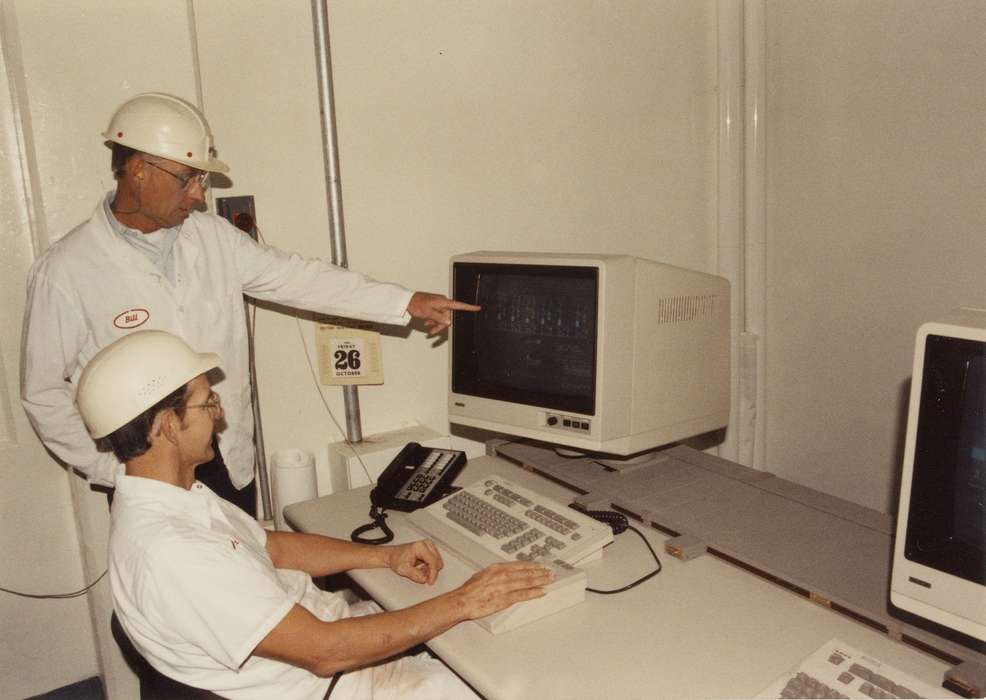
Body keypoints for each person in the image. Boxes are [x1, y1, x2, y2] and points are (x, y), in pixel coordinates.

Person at [20, 91, 478, 513]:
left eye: (199, 178)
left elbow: (299, 278)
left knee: (246, 574)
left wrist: (406, 301)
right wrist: (110, 470)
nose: (199, 195)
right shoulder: (66, 271)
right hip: (143, 476)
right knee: (164, 595)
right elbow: (42, 394)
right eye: (187, 179)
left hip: (223, 458)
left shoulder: (211, 238)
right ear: (138, 170)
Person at [76, 330, 550, 699]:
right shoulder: (171, 551)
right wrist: (464, 601)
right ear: (166, 427)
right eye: (206, 401)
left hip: (320, 642)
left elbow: (275, 547)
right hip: (330, 683)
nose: (218, 414)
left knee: (489, 627)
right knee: (511, 675)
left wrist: (384, 558)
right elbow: (326, 652)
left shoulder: (172, 495)